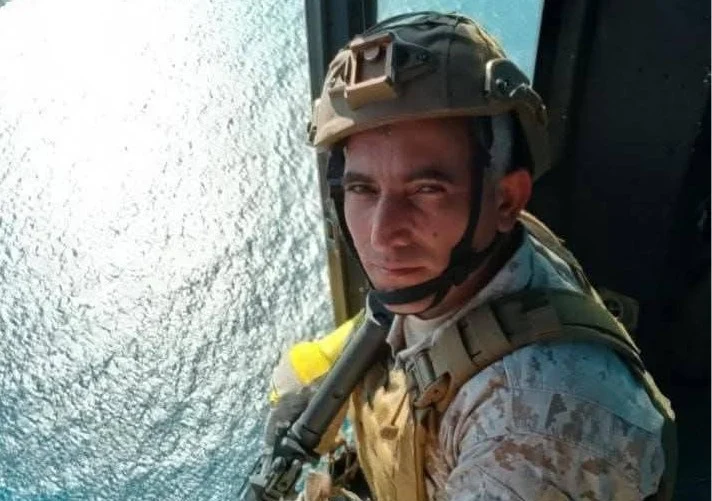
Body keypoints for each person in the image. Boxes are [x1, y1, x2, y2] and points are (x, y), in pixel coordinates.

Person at [263, 11, 675, 501]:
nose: (382, 234)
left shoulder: (534, 428)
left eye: (426, 190)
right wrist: (319, 375)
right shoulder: (463, 262)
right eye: (362, 189)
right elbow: (390, 319)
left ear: (506, 200)